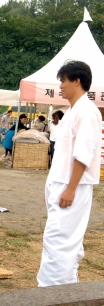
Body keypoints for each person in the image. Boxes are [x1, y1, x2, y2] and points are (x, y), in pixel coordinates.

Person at [37, 60, 101, 292]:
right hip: (61, 182)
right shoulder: (72, 112)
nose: (61, 86)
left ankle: (53, 295)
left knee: (59, 242)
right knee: (62, 240)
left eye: (64, 81)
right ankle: (64, 291)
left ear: (77, 81)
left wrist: (71, 188)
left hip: (72, 184)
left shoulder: (88, 112)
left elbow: (84, 154)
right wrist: (53, 188)